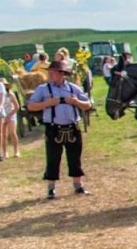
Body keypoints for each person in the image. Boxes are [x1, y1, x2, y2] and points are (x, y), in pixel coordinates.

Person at [25, 60, 92, 197]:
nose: (50, 74)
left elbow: (88, 104)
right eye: (49, 72)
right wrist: (46, 103)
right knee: (53, 158)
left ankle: (78, 185)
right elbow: (30, 106)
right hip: (53, 128)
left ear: (61, 73)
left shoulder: (73, 88)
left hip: (73, 127)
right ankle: (51, 188)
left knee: (75, 157)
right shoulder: (43, 89)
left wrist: (76, 102)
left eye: (53, 72)